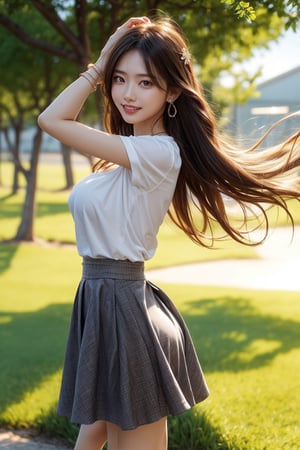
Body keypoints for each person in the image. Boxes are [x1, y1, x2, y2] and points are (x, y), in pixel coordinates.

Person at [38, 15, 299, 450]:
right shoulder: (125, 157)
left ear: (172, 91)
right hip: (103, 303)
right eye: (119, 79)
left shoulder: (158, 153)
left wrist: (98, 66)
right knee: (94, 434)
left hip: (125, 309)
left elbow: (53, 120)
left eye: (145, 82)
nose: (127, 93)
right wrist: (105, 64)